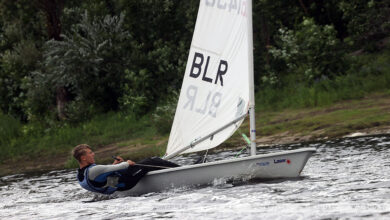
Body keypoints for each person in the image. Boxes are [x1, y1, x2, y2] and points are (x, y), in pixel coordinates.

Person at [73, 144, 179, 194]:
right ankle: (182, 170)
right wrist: (126, 163)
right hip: (126, 183)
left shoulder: (81, 175)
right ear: (83, 158)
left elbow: (102, 177)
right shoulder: (93, 170)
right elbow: (123, 166)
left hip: (117, 186)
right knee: (152, 161)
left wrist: (114, 165)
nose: (93, 154)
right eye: (90, 153)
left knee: (145, 164)